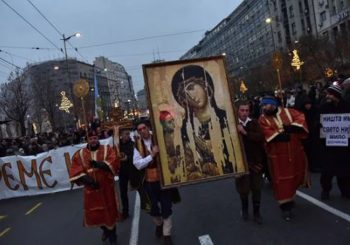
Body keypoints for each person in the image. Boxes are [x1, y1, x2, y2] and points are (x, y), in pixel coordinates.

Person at [171, 65, 234, 180]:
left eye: (191, 87)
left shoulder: (226, 118)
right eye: (184, 94)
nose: (190, 96)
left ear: (205, 85)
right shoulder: (184, 129)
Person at [258, 96, 309, 221]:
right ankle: (285, 207)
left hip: (295, 152)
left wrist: (293, 127)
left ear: (274, 105)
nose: (264, 107)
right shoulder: (262, 118)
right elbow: (265, 132)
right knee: (281, 181)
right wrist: (280, 137)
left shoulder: (288, 112)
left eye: (266, 105)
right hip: (278, 157)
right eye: (263, 106)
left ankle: (290, 199)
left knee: (295, 177)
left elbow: (300, 117)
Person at [69, 129, 121, 245]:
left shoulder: (107, 149)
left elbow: (114, 162)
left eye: (95, 138)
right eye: (91, 139)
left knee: (109, 213)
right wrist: (89, 181)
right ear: (87, 140)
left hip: (106, 188)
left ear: (98, 139)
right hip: (91, 190)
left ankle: (113, 236)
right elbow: (75, 171)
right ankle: (105, 230)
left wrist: (100, 164)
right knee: (96, 215)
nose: (93, 141)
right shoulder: (80, 154)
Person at [133, 120, 177, 245]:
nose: (142, 131)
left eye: (144, 128)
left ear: (149, 128)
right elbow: (138, 164)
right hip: (148, 181)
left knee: (166, 206)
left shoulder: (159, 137)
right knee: (152, 208)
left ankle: (167, 234)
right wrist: (152, 155)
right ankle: (159, 224)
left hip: (163, 179)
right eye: (139, 130)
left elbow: (172, 151)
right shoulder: (137, 145)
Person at [235, 101, 265, 224]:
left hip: (255, 161)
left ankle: (257, 213)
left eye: (247, 110)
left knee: (257, 188)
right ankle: (245, 209)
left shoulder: (254, 123)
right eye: (242, 110)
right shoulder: (233, 124)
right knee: (243, 189)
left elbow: (260, 137)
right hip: (241, 162)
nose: (244, 113)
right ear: (238, 111)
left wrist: (245, 132)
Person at [319, 84, 350, 200]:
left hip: (343, 144)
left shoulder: (347, 106)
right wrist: (320, 125)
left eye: (330, 94)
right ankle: (325, 190)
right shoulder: (324, 107)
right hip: (329, 144)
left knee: (345, 170)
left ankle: (345, 190)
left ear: (336, 95)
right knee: (327, 170)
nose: (327, 96)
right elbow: (318, 121)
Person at [118, 128, 138, 220]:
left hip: (131, 170)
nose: (128, 136)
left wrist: (127, 158)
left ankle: (148, 204)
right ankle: (125, 211)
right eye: (126, 134)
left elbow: (135, 155)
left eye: (128, 134)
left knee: (139, 188)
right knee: (123, 192)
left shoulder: (132, 144)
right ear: (121, 135)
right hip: (122, 171)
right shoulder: (117, 145)